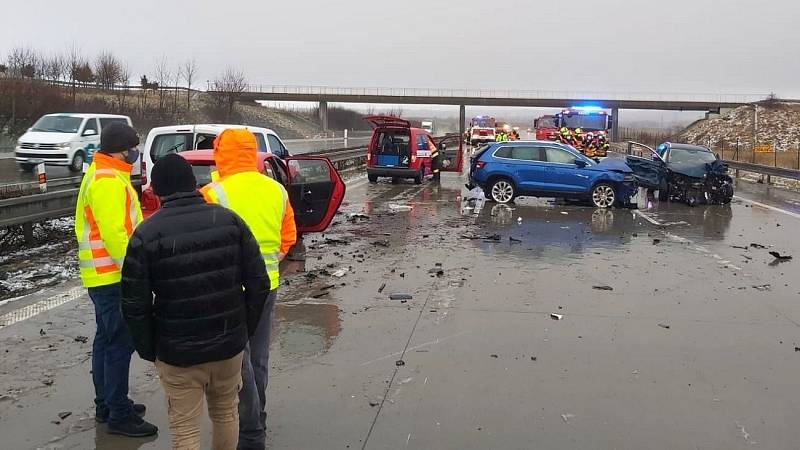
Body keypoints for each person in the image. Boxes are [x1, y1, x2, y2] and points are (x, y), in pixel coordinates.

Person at [121, 154, 269, 450]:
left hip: (177, 351)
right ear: (194, 183)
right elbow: (259, 283)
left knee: (185, 429)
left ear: (158, 190)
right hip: (228, 345)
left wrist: (151, 350)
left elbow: (134, 304)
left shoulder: (146, 234)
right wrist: (243, 330)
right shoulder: (229, 221)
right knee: (227, 413)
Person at [201, 129, 297, 450]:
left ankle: (251, 428)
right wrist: (268, 263)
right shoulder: (276, 190)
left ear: (221, 152)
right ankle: (260, 415)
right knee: (258, 357)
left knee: (237, 363)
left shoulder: (212, 193)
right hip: (267, 284)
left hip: (228, 291)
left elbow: (204, 248)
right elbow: (288, 238)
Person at [73, 122, 157, 437]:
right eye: (133, 148)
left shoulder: (103, 174)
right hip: (113, 275)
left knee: (106, 341)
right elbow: (114, 235)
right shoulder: (108, 181)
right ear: (122, 149)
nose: (136, 153)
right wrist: (134, 273)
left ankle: (106, 403)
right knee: (120, 344)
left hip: (102, 274)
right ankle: (118, 413)